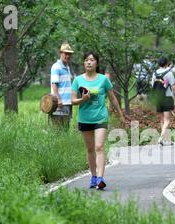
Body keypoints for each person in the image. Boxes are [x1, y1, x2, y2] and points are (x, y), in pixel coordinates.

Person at [71, 51, 126, 190]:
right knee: (90, 149)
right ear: (84, 63)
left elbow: (113, 98)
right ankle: (94, 176)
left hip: (100, 117)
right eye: (86, 60)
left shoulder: (103, 79)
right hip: (85, 118)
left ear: (97, 63)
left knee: (99, 147)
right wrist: (82, 99)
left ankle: (101, 178)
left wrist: (120, 114)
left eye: (92, 60)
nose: (89, 62)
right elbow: (72, 101)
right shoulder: (77, 80)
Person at [151, 56, 175, 146]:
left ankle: (165, 140)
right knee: (167, 120)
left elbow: (153, 86)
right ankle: (161, 138)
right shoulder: (169, 73)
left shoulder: (154, 74)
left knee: (162, 120)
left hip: (158, 98)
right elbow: (174, 87)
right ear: (166, 63)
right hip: (167, 98)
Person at [50, 43, 74, 126]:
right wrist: (59, 99)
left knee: (66, 126)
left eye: (69, 54)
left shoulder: (67, 67)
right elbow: (54, 84)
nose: (67, 56)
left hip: (68, 102)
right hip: (60, 103)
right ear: (61, 53)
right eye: (65, 54)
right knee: (58, 127)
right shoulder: (56, 67)